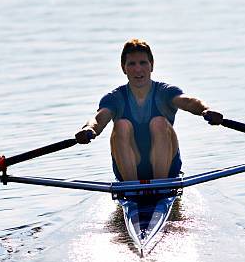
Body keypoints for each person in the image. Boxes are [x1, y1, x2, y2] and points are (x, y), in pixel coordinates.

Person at [76, 39, 223, 181]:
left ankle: (161, 185)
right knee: (121, 125)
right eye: (132, 64)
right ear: (123, 68)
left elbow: (189, 101)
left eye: (143, 63)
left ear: (151, 65)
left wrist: (206, 110)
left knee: (158, 122)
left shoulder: (165, 92)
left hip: (167, 167)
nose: (138, 69)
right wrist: (89, 128)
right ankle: (131, 188)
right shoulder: (114, 98)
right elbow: (98, 119)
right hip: (130, 166)